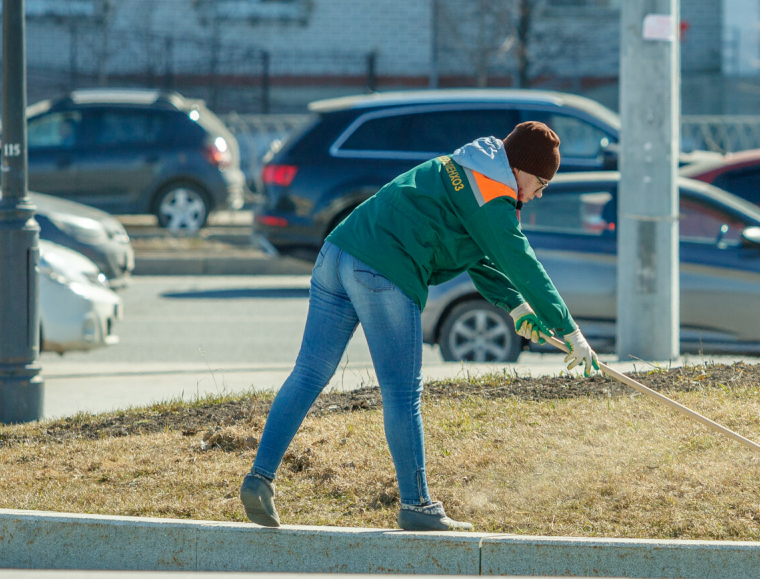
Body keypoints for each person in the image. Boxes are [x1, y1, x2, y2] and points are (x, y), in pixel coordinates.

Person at [238, 122, 600, 532]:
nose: (539, 193)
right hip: (382, 269)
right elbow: (520, 260)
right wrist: (571, 332)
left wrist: (515, 307)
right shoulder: (494, 195)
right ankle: (417, 504)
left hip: (336, 254)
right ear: (519, 168)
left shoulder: (466, 167)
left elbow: (479, 253)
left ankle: (259, 479)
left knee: (308, 374)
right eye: (540, 181)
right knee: (401, 392)